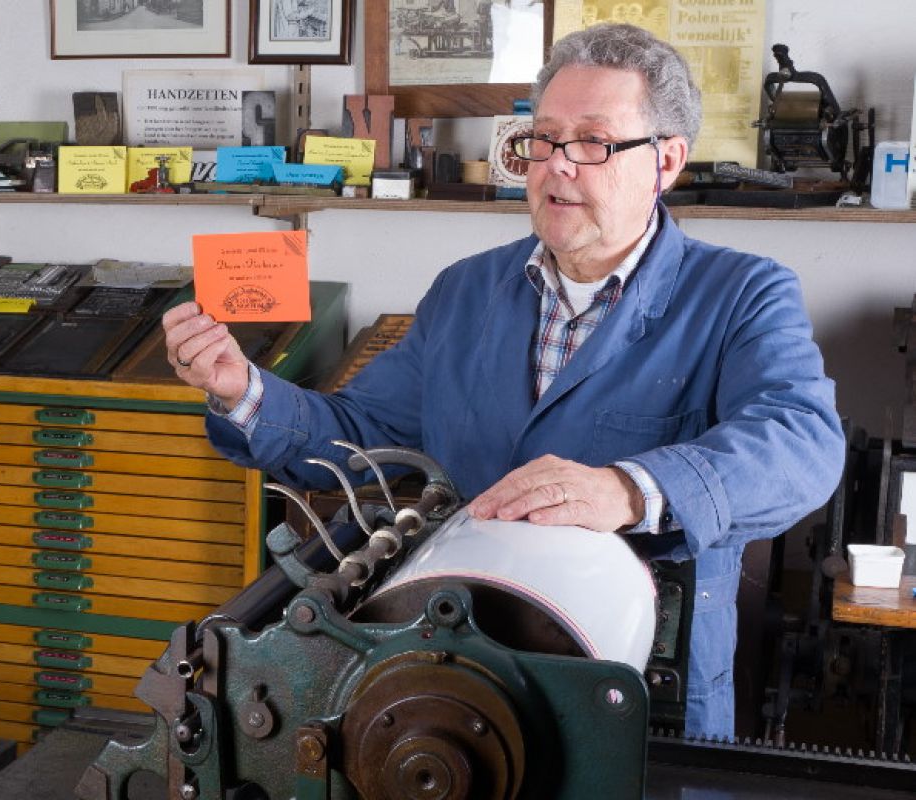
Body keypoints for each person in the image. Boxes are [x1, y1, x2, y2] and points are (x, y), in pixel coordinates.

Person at [162, 22, 842, 740]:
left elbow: (800, 444)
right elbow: (361, 434)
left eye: (592, 142)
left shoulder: (740, 294)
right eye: (542, 140)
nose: (557, 167)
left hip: (634, 689)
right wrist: (241, 390)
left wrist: (626, 489)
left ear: (666, 161)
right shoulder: (466, 290)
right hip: (455, 671)